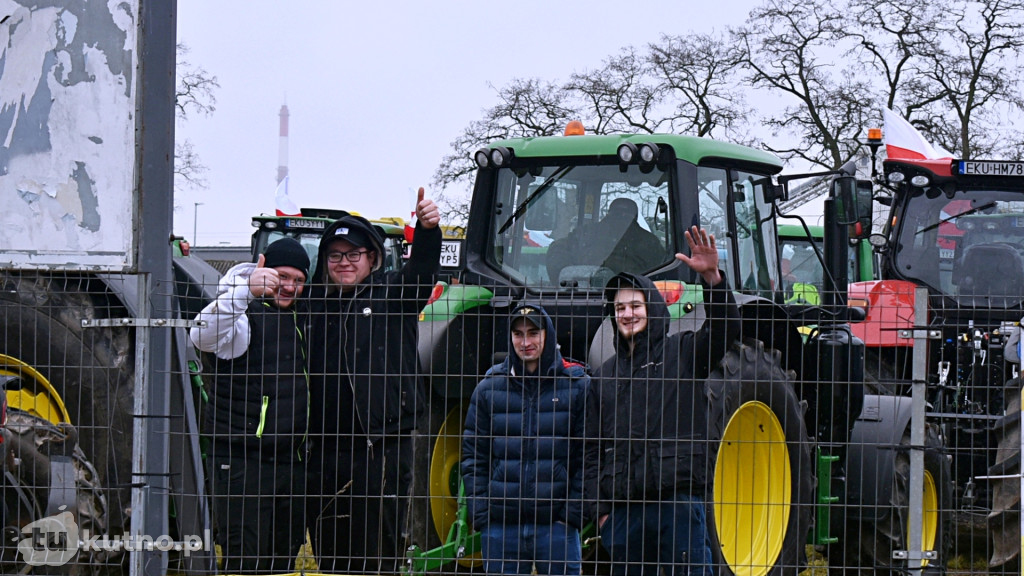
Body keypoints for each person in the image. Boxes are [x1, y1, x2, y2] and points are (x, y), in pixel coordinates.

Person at [304, 187, 442, 573]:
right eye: (335, 255)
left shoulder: (393, 294)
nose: (344, 262)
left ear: (373, 258)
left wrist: (428, 232)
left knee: (376, 554)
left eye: (353, 254)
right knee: (331, 555)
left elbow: (422, 273)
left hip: (380, 448)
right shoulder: (312, 305)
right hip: (323, 452)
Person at [591, 225, 741, 576]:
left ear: (651, 308)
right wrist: (601, 513)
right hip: (625, 513)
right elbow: (592, 447)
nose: (628, 314)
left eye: (635, 306)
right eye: (621, 308)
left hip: (679, 506)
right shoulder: (605, 376)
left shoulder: (685, 353)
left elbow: (726, 331)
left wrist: (714, 282)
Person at [189, 237, 311, 574]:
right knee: (245, 559)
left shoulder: (302, 318)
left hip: (290, 461)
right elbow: (201, 336)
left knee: (283, 558)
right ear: (263, 269)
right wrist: (245, 292)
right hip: (243, 460)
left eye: (298, 280)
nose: (289, 287)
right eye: (282, 277)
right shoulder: (242, 316)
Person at [461, 304, 593, 575]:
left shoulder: (577, 386)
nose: (525, 342)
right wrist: (483, 514)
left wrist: (572, 515)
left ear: (548, 335)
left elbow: (588, 456)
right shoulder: (488, 388)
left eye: (534, 333)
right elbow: (474, 456)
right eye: (518, 334)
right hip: (501, 526)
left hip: (556, 526)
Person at [546, 197, 666, 284]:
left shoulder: (585, 232)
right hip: (631, 300)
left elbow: (556, 251)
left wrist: (564, 281)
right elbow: (661, 272)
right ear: (635, 215)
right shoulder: (649, 241)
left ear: (609, 212)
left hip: (582, 296)